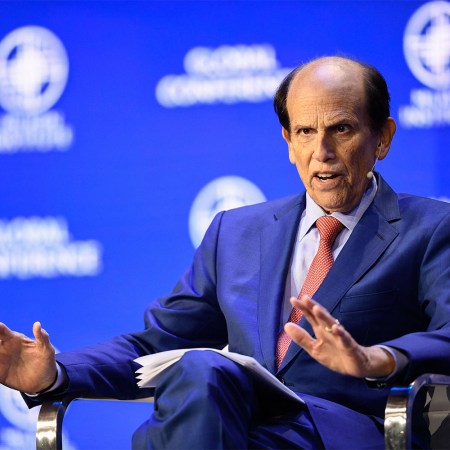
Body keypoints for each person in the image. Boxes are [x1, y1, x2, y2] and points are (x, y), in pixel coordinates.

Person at [1, 55, 450, 449]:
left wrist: (379, 358)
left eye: (342, 129)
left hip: (347, 431)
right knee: (200, 369)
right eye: (305, 132)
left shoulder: (431, 228)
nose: (322, 152)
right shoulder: (236, 233)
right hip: (235, 428)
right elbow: (156, 346)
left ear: (383, 137)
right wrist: (54, 373)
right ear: (288, 143)